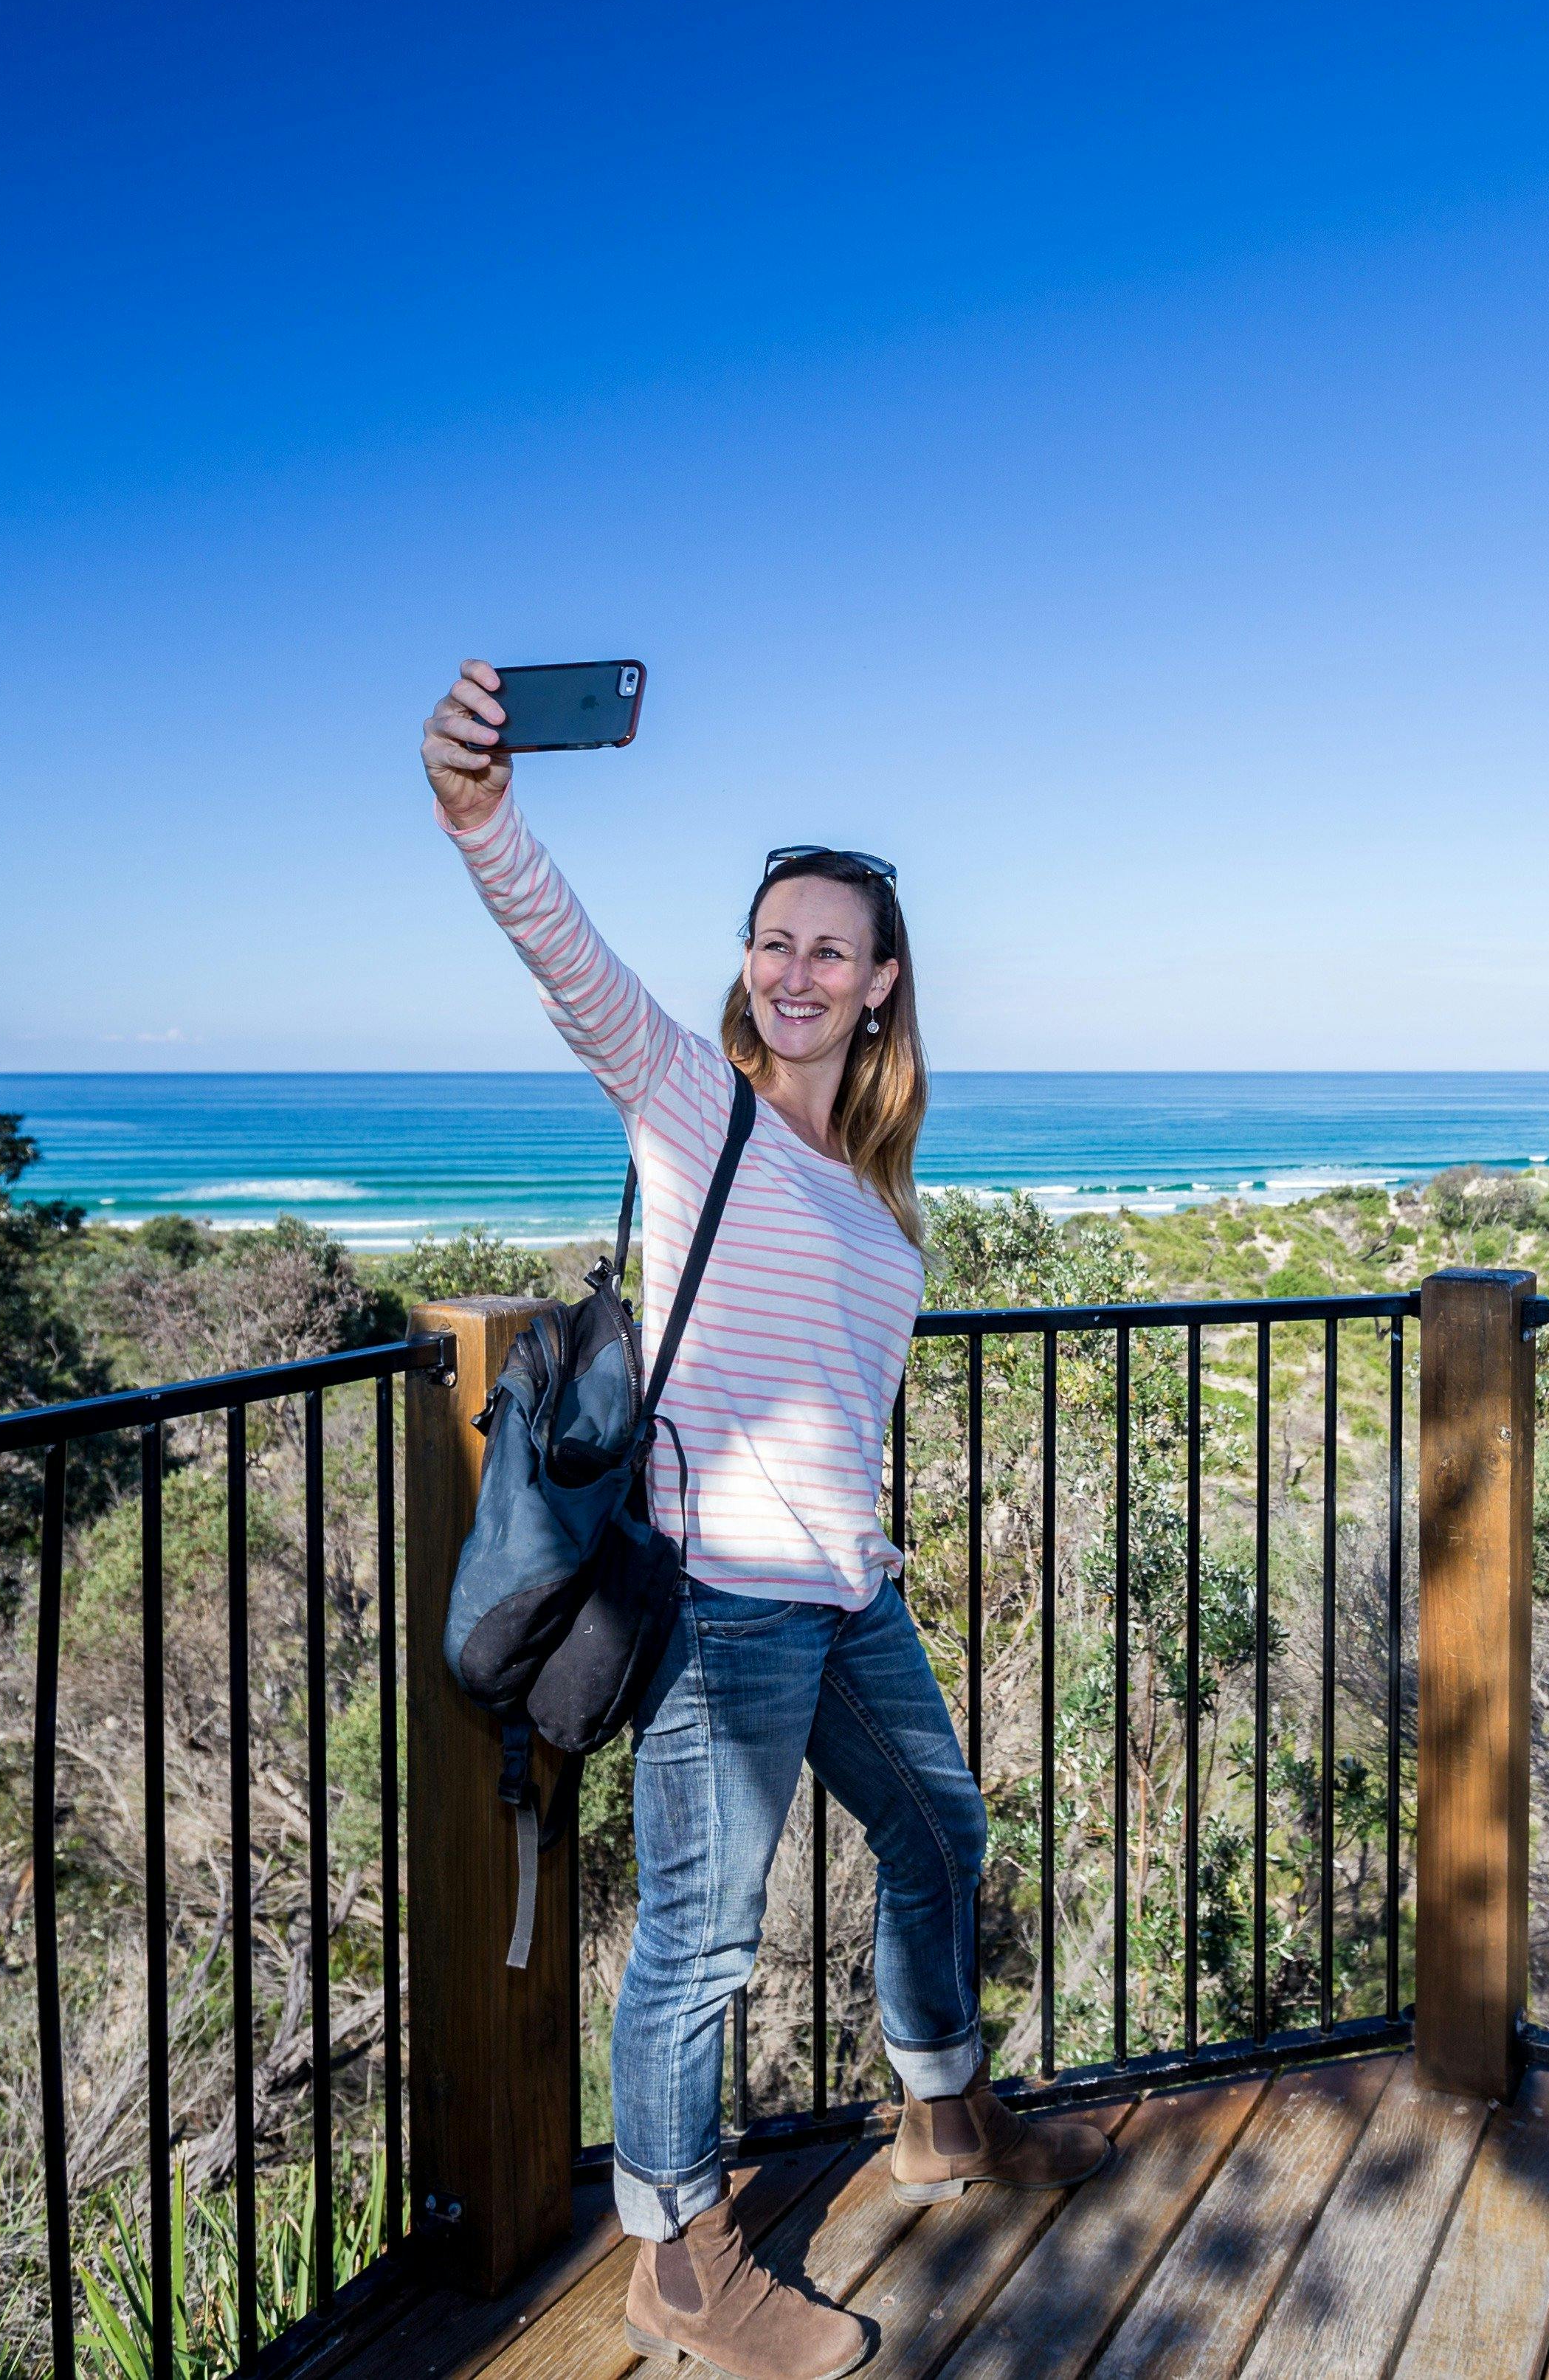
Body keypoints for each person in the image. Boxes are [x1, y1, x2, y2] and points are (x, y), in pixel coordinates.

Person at [422, 662, 1107, 2380]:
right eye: (772, 940)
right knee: (700, 1939)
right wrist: (481, 808)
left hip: (844, 1598)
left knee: (942, 1835)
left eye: (831, 950)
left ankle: (944, 2115)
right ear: (749, 965)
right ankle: (677, 2256)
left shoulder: (880, 1197)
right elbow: (566, 958)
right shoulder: (687, 1102)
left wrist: (863, 1553)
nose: (794, 971)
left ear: (880, 988)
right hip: (722, 1606)